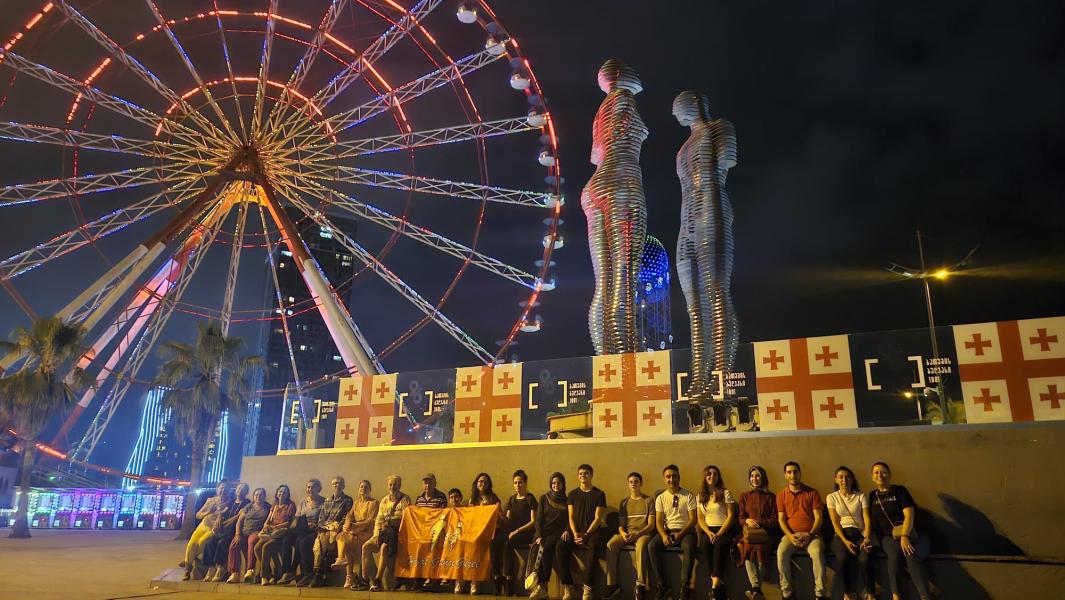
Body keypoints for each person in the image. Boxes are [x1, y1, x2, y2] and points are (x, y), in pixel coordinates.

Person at [868, 462, 932, 600]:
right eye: (876, 472)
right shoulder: (872, 496)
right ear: (872, 477)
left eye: (884, 472)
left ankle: (924, 596)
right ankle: (896, 596)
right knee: (893, 557)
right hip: (887, 537)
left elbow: (909, 514)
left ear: (889, 475)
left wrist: (904, 536)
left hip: (908, 532)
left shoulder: (899, 491)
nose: (880, 475)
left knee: (910, 554)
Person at [557, 464, 608, 600]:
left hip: (592, 533)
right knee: (560, 546)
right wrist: (575, 534)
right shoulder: (573, 494)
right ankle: (568, 585)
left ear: (591, 475)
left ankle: (588, 586)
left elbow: (598, 518)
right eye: (580, 474)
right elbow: (571, 516)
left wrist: (586, 535)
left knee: (595, 545)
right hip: (576, 532)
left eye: (586, 473)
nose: (583, 476)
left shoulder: (599, 494)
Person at [776, 462, 827, 599]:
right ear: (785, 475)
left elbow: (818, 518)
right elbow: (781, 519)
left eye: (795, 472)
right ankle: (787, 593)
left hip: (812, 535)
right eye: (789, 472)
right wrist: (790, 536)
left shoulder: (812, 492)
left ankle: (819, 594)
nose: (793, 475)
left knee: (816, 553)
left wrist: (810, 535)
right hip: (791, 536)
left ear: (800, 473)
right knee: (781, 553)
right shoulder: (781, 495)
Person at [648, 464, 698, 600]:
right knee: (652, 546)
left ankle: (685, 586)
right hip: (668, 531)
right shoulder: (660, 498)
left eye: (674, 476)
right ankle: (663, 585)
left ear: (679, 477)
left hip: (686, 531)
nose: (671, 479)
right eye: (668, 477)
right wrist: (664, 536)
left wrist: (680, 534)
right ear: (664, 479)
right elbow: (658, 521)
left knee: (689, 546)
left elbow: (693, 519)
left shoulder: (688, 495)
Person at [604, 471, 654, 600]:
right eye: (631, 482)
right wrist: (623, 533)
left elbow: (651, 525)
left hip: (642, 533)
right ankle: (612, 585)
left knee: (642, 545)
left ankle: (641, 585)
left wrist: (638, 534)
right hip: (627, 534)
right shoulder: (624, 502)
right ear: (628, 484)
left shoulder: (648, 501)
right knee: (611, 544)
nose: (633, 484)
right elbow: (621, 525)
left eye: (636, 481)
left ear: (641, 484)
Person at [827, 466, 873, 600]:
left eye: (847, 477)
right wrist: (846, 542)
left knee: (865, 559)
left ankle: (870, 593)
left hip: (860, 533)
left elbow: (867, 518)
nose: (844, 480)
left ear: (852, 479)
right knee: (842, 559)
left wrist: (867, 537)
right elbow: (835, 522)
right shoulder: (832, 497)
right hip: (841, 534)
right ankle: (848, 593)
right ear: (836, 480)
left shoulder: (861, 496)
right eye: (840, 477)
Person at [360, 474, 411, 591]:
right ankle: (364, 581)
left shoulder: (405, 499)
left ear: (400, 485)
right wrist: (376, 535)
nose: (392, 487)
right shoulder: (384, 500)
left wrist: (391, 522)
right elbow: (379, 519)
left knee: (383, 548)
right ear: (387, 486)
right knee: (366, 547)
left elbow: (405, 519)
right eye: (390, 484)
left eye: (395, 484)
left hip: (396, 534)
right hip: (382, 533)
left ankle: (377, 580)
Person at [272, 479, 323, 586]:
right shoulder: (303, 501)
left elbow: (324, 517)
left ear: (318, 488)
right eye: (308, 487)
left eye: (313, 487)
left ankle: (304, 573)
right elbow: (297, 517)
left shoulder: (323, 501)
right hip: (302, 528)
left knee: (300, 541)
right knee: (286, 540)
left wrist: (315, 524)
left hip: (314, 529)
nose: (310, 489)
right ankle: (287, 572)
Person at [737, 466, 777, 600]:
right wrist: (747, 520)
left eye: (758, 475)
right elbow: (740, 518)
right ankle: (757, 589)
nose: (754, 479)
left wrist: (761, 523)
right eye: (752, 476)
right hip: (749, 534)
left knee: (760, 549)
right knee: (747, 548)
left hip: (765, 534)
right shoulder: (744, 496)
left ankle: (755, 590)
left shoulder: (771, 497)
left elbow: (775, 519)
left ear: (763, 477)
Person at [697, 466, 736, 600]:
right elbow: (700, 519)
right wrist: (708, 533)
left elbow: (731, 516)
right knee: (705, 545)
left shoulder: (725, 493)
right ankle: (718, 585)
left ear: (718, 477)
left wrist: (719, 533)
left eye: (715, 474)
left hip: (724, 529)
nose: (712, 476)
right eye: (709, 474)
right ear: (705, 477)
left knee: (719, 546)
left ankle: (714, 587)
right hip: (708, 531)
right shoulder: (700, 496)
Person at [496, 469, 537, 596]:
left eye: (520, 482)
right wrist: (500, 514)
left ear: (525, 483)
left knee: (509, 544)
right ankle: (497, 577)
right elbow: (507, 520)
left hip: (526, 533)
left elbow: (533, 521)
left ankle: (509, 579)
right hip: (512, 531)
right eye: (515, 483)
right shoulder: (512, 499)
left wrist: (517, 530)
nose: (517, 485)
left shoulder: (530, 499)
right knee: (494, 542)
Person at [529, 473, 569, 600]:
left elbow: (570, 519)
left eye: (558, 483)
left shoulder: (567, 500)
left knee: (546, 548)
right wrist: (539, 535)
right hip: (543, 532)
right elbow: (539, 519)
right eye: (553, 483)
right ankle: (541, 587)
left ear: (563, 484)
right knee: (538, 548)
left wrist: (567, 530)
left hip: (558, 532)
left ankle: (543, 586)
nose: (556, 485)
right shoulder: (544, 498)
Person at [333, 480, 379, 589]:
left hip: (367, 532)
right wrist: (348, 524)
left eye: (366, 487)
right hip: (355, 530)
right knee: (342, 536)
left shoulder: (374, 503)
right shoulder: (356, 503)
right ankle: (341, 560)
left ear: (370, 489)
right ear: (359, 489)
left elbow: (371, 520)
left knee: (349, 541)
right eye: (361, 487)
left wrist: (356, 526)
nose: (363, 489)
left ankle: (351, 576)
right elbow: (349, 515)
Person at [309, 476, 353, 586]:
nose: (337, 485)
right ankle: (318, 574)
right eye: (334, 483)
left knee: (326, 543)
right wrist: (327, 526)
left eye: (339, 483)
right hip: (326, 529)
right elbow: (321, 518)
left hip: (337, 529)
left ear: (343, 486)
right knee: (318, 545)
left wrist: (336, 526)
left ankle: (319, 575)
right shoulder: (327, 500)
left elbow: (346, 517)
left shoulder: (347, 500)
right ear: (332, 486)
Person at [462, 472, 502, 595]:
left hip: (489, 532)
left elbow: (500, 517)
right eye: (480, 481)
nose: (482, 484)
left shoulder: (493, 498)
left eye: (485, 482)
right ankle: (467, 580)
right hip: (475, 531)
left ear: (488, 484)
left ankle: (481, 580)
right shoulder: (472, 499)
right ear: (476, 483)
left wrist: (493, 509)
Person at [182, 481, 231, 580]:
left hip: (214, 529)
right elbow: (198, 515)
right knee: (192, 544)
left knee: (201, 542)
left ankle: (188, 560)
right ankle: (187, 570)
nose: (223, 490)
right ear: (217, 489)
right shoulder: (211, 501)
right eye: (221, 488)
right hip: (203, 526)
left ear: (229, 490)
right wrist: (209, 511)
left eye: (225, 488)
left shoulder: (230, 502)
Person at [203, 482, 250, 582]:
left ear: (246, 492)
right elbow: (223, 511)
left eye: (243, 489)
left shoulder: (246, 503)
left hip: (234, 529)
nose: (240, 490)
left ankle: (221, 568)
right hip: (224, 529)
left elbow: (240, 517)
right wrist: (220, 517)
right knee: (209, 542)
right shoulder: (232, 501)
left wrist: (228, 521)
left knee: (222, 543)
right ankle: (211, 568)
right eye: (239, 488)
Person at [251, 484, 295, 584]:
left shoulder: (290, 505)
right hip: (270, 532)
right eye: (280, 491)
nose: (282, 493)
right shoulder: (274, 505)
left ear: (288, 494)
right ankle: (272, 571)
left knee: (266, 547)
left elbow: (289, 522)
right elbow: (268, 519)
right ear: (277, 493)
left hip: (281, 533)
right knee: (257, 548)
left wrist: (275, 527)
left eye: (284, 492)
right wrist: (265, 525)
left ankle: (264, 576)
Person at [227, 487, 269, 583]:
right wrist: (238, 534)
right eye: (256, 495)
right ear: (253, 496)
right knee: (234, 545)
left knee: (252, 542)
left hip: (257, 531)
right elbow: (239, 521)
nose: (258, 497)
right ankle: (235, 573)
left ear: (264, 496)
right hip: (243, 531)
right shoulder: (248, 507)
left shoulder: (268, 508)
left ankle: (250, 569)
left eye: (260, 495)